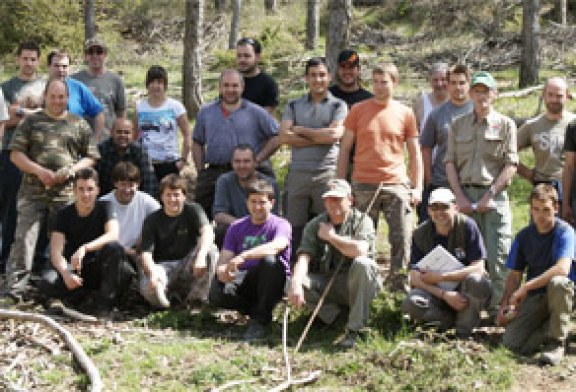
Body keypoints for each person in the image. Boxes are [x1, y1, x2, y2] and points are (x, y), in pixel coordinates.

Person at [3, 78, 100, 297]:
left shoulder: (79, 123)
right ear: (45, 97)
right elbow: (16, 154)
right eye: (53, 96)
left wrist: (73, 169)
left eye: (62, 97)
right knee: (24, 241)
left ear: (67, 98)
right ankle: (15, 291)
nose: (57, 101)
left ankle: (62, 287)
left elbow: (92, 156)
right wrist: (38, 171)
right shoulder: (31, 122)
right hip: (32, 192)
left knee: (63, 243)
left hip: (65, 194)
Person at [336, 62, 422, 290]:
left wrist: (418, 187)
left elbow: (415, 153)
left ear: (395, 82)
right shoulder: (357, 110)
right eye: (375, 82)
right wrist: (341, 184)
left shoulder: (406, 113)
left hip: (395, 184)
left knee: (402, 240)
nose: (379, 87)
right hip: (363, 184)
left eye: (384, 82)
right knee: (362, 240)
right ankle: (365, 289)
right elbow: (344, 149)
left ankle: (398, 291)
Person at [444, 71, 518, 316]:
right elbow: (450, 163)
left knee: (498, 254)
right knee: (466, 255)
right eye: (477, 91)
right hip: (465, 195)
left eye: (486, 91)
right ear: (471, 94)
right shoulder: (458, 125)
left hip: (494, 197)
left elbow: (511, 164)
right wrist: (459, 197)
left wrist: (492, 193)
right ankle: (469, 308)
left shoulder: (506, 125)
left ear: (494, 94)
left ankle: (498, 308)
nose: (481, 96)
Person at [288, 179, 381, 349]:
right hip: (330, 282)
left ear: (350, 200)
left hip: (358, 283)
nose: (333, 203)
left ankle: (355, 330)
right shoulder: (315, 225)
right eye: (329, 199)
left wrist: (332, 237)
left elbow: (360, 250)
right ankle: (336, 319)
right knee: (292, 281)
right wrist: (295, 284)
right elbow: (304, 257)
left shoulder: (362, 221)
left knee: (362, 264)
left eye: (338, 199)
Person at [497, 184, 574, 365]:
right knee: (512, 343)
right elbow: (515, 275)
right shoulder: (524, 236)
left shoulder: (565, 232)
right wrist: (505, 305)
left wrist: (527, 286)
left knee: (558, 282)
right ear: (531, 209)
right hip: (536, 297)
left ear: (556, 208)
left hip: (564, 293)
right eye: (536, 210)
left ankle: (556, 343)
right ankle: (554, 325)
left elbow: (563, 269)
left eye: (546, 209)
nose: (540, 215)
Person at [39, 168, 134, 313]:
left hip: (95, 266)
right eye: (81, 189)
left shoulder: (105, 207)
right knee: (47, 282)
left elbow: (113, 235)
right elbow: (56, 252)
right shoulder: (63, 214)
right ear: (74, 191)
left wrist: (85, 248)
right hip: (71, 266)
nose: (85, 194)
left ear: (97, 190)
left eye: (90, 189)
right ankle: (75, 299)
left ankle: (105, 306)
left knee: (115, 250)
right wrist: (66, 274)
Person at [280, 57, 347, 256]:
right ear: (306, 78)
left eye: (322, 75)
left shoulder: (338, 105)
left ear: (330, 77)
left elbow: (335, 135)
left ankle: (322, 268)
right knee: (295, 227)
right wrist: (321, 136)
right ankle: (293, 270)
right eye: (313, 75)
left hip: (326, 173)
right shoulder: (293, 105)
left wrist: (301, 131)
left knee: (326, 224)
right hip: (298, 174)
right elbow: (284, 136)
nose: (317, 79)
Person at [402, 188, 491, 336]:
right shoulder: (420, 234)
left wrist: (442, 277)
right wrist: (445, 295)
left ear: (455, 208)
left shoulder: (467, 226)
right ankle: (446, 322)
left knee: (477, 281)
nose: (439, 212)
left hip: (465, 290)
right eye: (434, 207)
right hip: (437, 294)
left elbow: (479, 268)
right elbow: (414, 277)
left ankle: (464, 331)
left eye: (445, 207)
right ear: (428, 210)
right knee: (411, 303)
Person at [210, 180, 291, 341]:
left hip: (272, 279)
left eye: (262, 202)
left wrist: (244, 256)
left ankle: (261, 320)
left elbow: (278, 245)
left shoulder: (281, 224)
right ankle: (254, 311)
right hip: (244, 277)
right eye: (253, 202)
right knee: (216, 292)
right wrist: (222, 272)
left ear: (272, 203)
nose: (257, 207)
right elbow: (225, 256)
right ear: (247, 203)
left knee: (270, 261)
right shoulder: (237, 226)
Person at [193, 69, 280, 217]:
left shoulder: (256, 111)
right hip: (215, 170)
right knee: (200, 213)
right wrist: (200, 170)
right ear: (220, 87)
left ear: (242, 87)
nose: (230, 90)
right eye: (226, 86)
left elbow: (277, 136)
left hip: (247, 170)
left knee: (255, 211)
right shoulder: (206, 112)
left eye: (234, 86)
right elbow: (197, 141)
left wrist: (258, 159)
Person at [139, 174, 217, 308]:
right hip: (163, 268)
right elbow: (146, 254)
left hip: (188, 265)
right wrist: (152, 273)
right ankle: (168, 302)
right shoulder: (152, 220)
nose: (172, 199)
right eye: (168, 195)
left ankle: (195, 302)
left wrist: (201, 256)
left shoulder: (193, 210)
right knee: (149, 288)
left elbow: (207, 231)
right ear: (162, 197)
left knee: (211, 250)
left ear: (184, 196)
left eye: (176, 195)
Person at [1, 41, 45, 271]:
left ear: (38, 61)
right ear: (18, 59)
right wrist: (31, 114)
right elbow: (5, 120)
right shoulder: (7, 88)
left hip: (38, 156)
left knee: (37, 210)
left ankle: (36, 261)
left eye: (33, 59)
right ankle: (5, 259)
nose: (28, 63)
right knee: (10, 208)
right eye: (24, 58)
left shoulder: (46, 85)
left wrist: (18, 111)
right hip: (11, 154)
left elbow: (51, 116)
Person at [419, 64, 473, 223]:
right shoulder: (437, 114)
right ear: (448, 85)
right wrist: (429, 181)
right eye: (454, 83)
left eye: (462, 83)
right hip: (442, 181)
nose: (458, 87)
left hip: (471, 182)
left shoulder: (477, 112)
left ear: (469, 84)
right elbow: (426, 149)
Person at [516, 77, 574, 216]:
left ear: (567, 96)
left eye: (559, 95)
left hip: (571, 187)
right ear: (543, 94)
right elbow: (507, 151)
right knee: (541, 232)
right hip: (542, 187)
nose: (554, 99)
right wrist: (526, 173)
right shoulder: (532, 125)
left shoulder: (573, 124)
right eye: (550, 95)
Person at [212, 144, 279, 247]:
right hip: (236, 229)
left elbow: (274, 217)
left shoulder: (270, 184)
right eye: (237, 161)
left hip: (263, 231)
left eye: (246, 161)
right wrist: (244, 226)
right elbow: (219, 214)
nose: (242, 166)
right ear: (232, 163)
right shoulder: (224, 181)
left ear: (255, 163)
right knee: (221, 230)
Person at [134, 65, 191, 183]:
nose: (156, 86)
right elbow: (134, 135)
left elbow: (187, 135)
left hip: (169, 163)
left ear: (165, 85)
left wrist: (183, 160)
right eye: (152, 82)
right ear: (147, 84)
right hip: (146, 162)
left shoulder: (175, 106)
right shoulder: (140, 107)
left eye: (159, 82)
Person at [99, 162, 160, 257]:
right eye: (123, 184)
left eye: (131, 185)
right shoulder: (103, 203)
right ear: (115, 184)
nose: (127, 190)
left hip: (139, 252)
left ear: (138, 184)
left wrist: (145, 237)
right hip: (111, 253)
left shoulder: (147, 201)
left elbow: (161, 218)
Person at [72, 37, 127, 136]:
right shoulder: (74, 80)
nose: (95, 55)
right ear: (85, 56)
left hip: (107, 139)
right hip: (80, 137)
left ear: (105, 55)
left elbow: (121, 112)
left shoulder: (116, 80)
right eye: (91, 52)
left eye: (99, 52)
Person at [47, 50, 105, 141]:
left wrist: (95, 140)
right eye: (56, 66)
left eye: (64, 66)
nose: (60, 70)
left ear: (69, 68)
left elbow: (99, 113)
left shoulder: (78, 88)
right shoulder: (40, 88)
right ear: (49, 67)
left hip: (74, 145)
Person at [97, 117, 158, 197]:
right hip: (106, 198)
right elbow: (96, 180)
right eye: (119, 132)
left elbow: (149, 181)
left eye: (126, 132)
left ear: (132, 134)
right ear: (111, 133)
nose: (123, 135)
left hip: (134, 198)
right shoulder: (102, 149)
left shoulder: (140, 151)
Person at [236, 37, 279, 115]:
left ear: (257, 57)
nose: (242, 60)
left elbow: (266, 118)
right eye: (239, 56)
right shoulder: (230, 81)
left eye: (247, 56)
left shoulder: (268, 84)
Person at [412, 62, 449, 130]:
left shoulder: (457, 102)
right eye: (435, 80)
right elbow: (413, 133)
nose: (439, 84)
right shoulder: (420, 103)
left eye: (443, 79)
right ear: (430, 81)